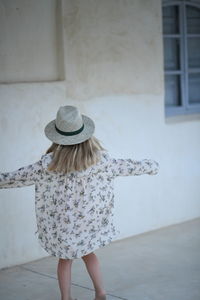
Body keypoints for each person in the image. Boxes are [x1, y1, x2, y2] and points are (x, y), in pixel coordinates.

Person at [0, 105, 159, 300]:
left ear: (57, 137)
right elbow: (127, 166)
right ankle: (100, 292)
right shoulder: (100, 161)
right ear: (86, 136)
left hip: (62, 227)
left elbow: (17, 177)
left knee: (65, 261)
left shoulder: (47, 165)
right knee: (89, 254)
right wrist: (151, 166)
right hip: (88, 224)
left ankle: (66, 298)